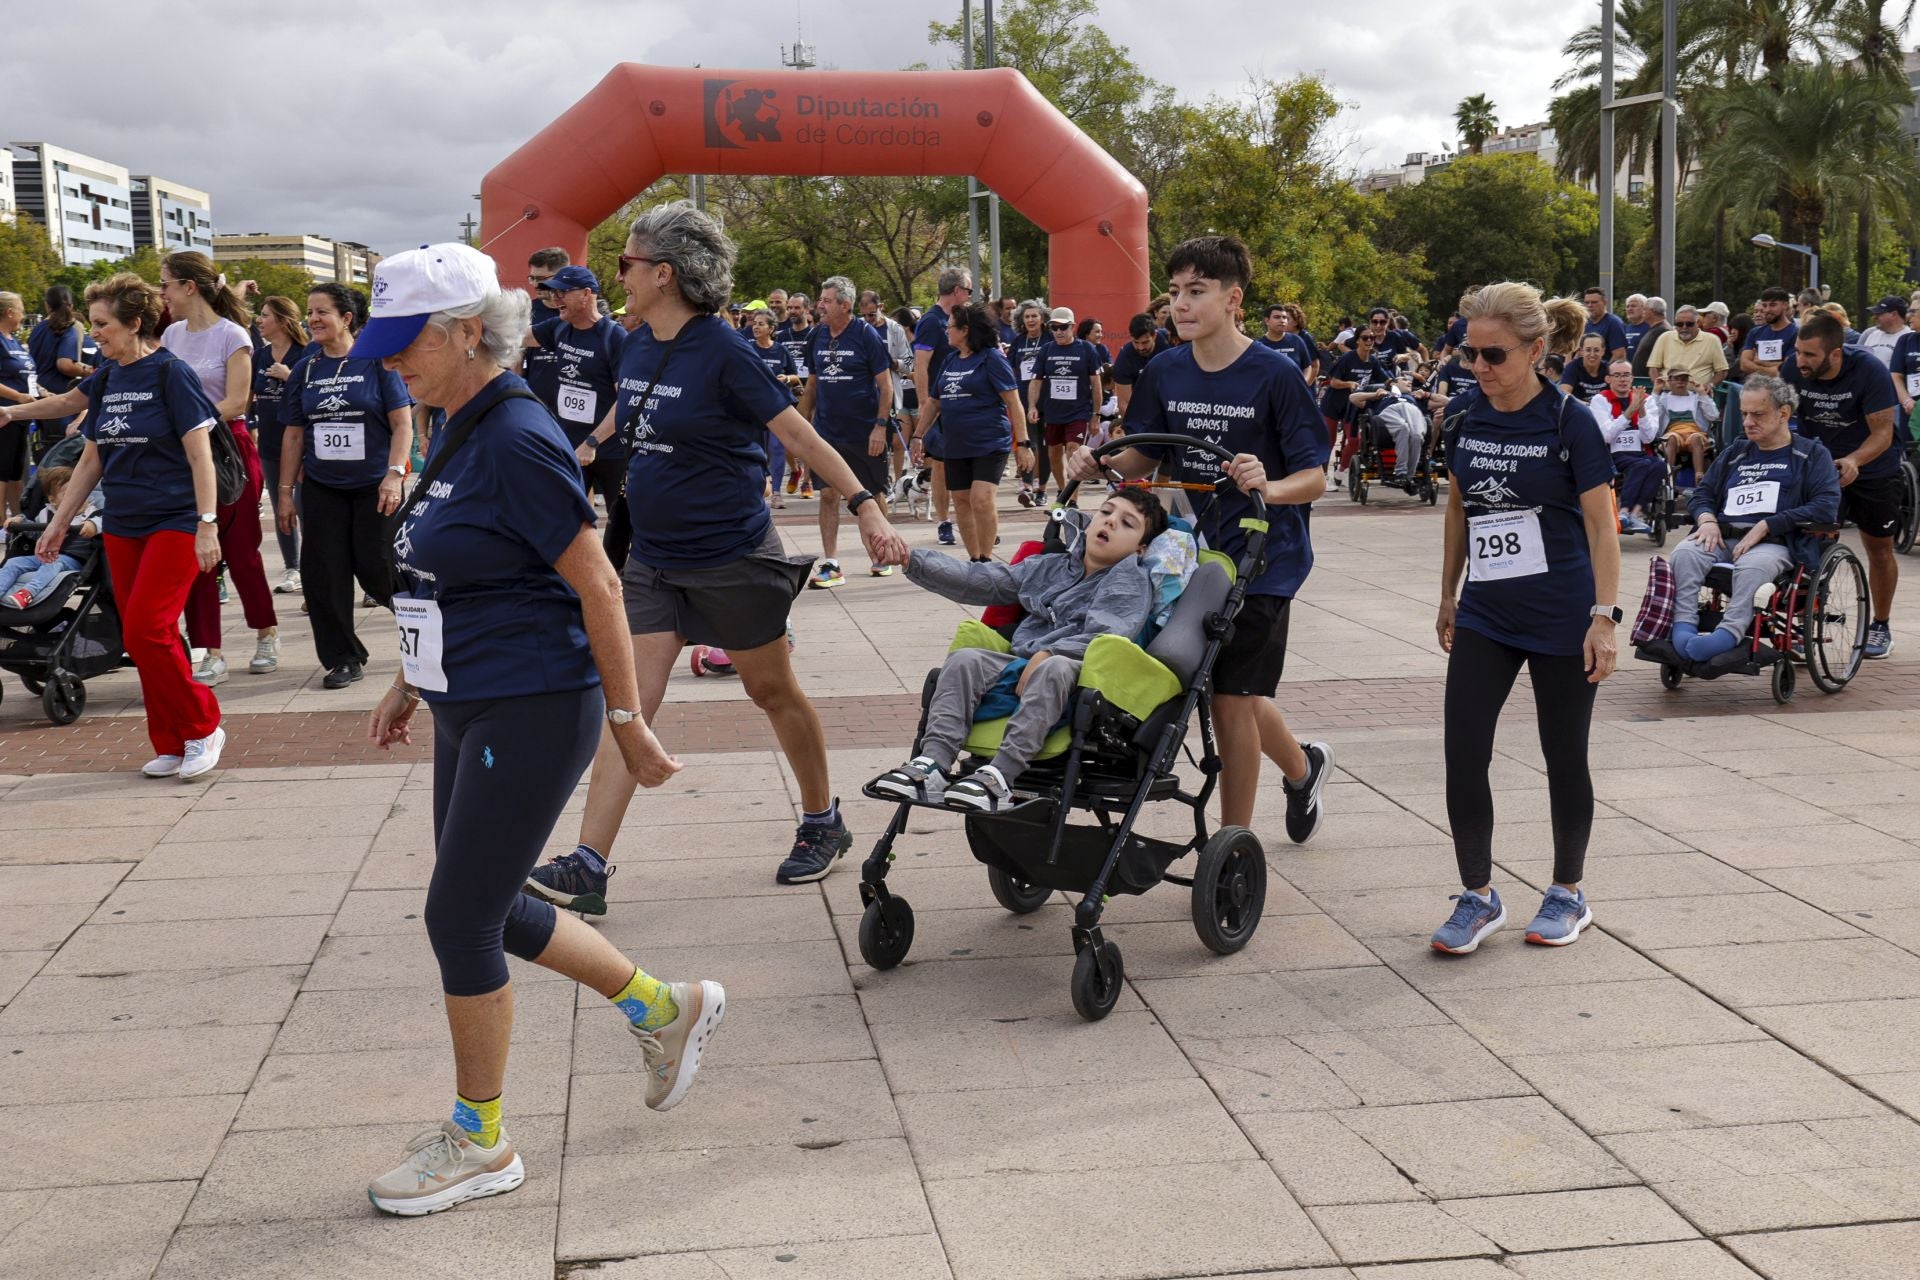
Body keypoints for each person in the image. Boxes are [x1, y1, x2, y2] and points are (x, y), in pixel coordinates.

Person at [356, 240, 723, 1217]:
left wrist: (629, 720)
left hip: (531, 702)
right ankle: (662, 1005)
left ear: (467, 331)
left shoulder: (515, 435)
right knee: (483, 900)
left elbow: (597, 579)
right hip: (469, 695)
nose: (391, 361)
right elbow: (460, 563)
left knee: (458, 914)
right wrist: (406, 676)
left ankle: (481, 1139)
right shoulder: (460, 423)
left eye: (406, 342)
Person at [527, 201, 909, 905]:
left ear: (664, 273)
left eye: (628, 263)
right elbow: (630, 405)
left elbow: (798, 436)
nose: (620, 276)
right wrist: (585, 446)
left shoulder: (727, 351)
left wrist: (865, 505)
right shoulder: (636, 340)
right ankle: (587, 863)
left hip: (732, 553)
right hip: (654, 557)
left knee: (771, 690)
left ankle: (823, 821)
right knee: (628, 706)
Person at [1065, 234, 1334, 843]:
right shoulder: (1163, 368)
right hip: (1186, 552)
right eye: (1175, 293)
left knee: (1230, 699)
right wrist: (1096, 462)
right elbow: (1143, 455)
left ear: (1234, 299)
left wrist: (1271, 482)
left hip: (1265, 559)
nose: (1180, 305)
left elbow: (1315, 477)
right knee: (1221, 683)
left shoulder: (1277, 373)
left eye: (1197, 292)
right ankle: (1303, 766)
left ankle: (1231, 842)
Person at [1431, 282, 1619, 955]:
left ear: (1537, 351)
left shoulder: (1570, 422)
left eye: (1494, 354)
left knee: (1564, 754)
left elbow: (1603, 525)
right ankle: (1478, 897)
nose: (1478, 366)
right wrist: (1449, 592)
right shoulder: (1462, 416)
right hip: (1487, 610)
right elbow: (1459, 508)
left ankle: (1568, 891)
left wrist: (1604, 617)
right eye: (1467, 352)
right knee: (1462, 751)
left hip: (1564, 614)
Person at [35, 273, 227, 778]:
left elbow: (200, 456)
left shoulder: (170, 373)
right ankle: (171, 740)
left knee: (150, 629)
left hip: (176, 520)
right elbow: (91, 460)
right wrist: (58, 522)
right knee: (139, 637)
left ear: (134, 324)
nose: (93, 333)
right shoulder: (107, 377)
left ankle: (203, 727)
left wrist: (207, 523)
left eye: (102, 324)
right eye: (91, 323)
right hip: (123, 523)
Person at [874, 490, 1165, 809]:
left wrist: (1051, 653)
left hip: (1082, 678)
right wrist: (911, 559)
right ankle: (932, 765)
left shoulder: (1129, 581)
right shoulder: (1049, 566)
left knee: (1055, 668)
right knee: (965, 658)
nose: (1110, 520)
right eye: (1106, 511)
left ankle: (1000, 774)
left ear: (1141, 547)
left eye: (1127, 523)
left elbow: (1106, 633)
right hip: (1022, 664)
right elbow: (981, 580)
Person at [278, 283, 414, 688]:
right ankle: (343, 657)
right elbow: (293, 435)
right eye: (310, 312)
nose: (313, 319)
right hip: (321, 486)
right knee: (324, 574)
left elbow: (402, 422)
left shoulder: (376, 363)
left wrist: (395, 473)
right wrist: (285, 492)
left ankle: (436, 629)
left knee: (378, 569)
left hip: (375, 485)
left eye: (322, 312)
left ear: (347, 319)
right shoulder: (305, 369)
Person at [157, 252, 279, 683]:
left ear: (190, 287)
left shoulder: (233, 335)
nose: (162, 293)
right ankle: (210, 648)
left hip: (230, 451)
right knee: (199, 556)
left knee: (243, 553)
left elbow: (237, 402)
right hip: (186, 456)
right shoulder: (170, 335)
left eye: (167, 284)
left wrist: (185, 420)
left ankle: (266, 632)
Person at [1666, 375, 1841, 664]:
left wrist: (1768, 524)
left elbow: (1825, 506)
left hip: (1776, 542)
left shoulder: (1810, 454)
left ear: (1783, 413)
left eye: (1757, 414)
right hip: (1722, 534)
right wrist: (1707, 518)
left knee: (1752, 566)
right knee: (1685, 553)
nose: (1747, 422)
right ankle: (1683, 624)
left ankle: (1729, 634)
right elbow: (1702, 493)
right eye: (1744, 413)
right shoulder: (1736, 452)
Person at [1783, 310, 1900, 657]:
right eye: (1799, 352)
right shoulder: (1792, 369)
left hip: (1872, 467)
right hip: (1820, 467)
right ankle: (1804, 625)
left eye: (1810, 355)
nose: (1800, 362)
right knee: (1808, 545)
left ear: (1835, 354)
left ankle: (1880, 624)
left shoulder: (1869, 370)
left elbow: (1883, 433)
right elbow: (1783, 415)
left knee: (1879, 549)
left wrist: (1853, 461)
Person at [798, 276, 895, 588]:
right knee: (828, 494)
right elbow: (812, 385)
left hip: (864, 431)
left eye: (827, 301)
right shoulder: (817, 336)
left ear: (845, 305)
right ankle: (831, 563)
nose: (820, 305)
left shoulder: (866, 335)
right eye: (821, 299)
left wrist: (880, 427)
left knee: (872, 493)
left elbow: (885, 386)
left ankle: (881, 553)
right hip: (828, 431)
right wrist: (802, 427)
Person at [526, 265, 628, 556]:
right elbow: (518, 337)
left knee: (620, 521)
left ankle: (618, 579)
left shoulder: (613, 337)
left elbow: (626, 400)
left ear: (586, 294)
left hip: (610, 449)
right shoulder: (558, 327)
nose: (555, 298)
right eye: (553, 291)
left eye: (562, 292)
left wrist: (593, 442)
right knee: (562, 516)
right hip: (569, 447)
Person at [916, 303, 1020, 562]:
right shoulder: (950, 360)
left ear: (965, 330)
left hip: (989, 442)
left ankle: (986, 558)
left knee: (981, 500)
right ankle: (974, 559)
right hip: (955, 444)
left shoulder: (991, 358)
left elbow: (1013, 401)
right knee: (961, 500)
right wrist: (918, 436)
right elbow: (934, 402)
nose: (946, 332)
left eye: (950, 327)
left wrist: (1025, 443)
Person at [251, 296, 312, 594]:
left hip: (303, 442)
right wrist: (250, 427)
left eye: (265, 315)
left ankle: (317, 566)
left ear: (283, 321)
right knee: (281, 507)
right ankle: (294, 568)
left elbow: (314, 395)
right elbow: (249, 397)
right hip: (271, 444)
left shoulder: (306, 353)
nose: (260, 320)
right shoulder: (259, 356)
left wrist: (290, 377)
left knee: (306, 506)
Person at [911, 267, 974, 546]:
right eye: (969, 291)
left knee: (969, 462)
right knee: (940, 465)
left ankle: (974, 521)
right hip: (939, 404)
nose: (971, 296)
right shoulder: (931, 321)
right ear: (957, 291)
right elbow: (920, 365)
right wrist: (925, 403)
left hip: (965, 403)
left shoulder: (964, 320)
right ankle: (943, 521)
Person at [1026, 307, 1104, 504]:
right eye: (1054, 327)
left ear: (1072, 327)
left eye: (1064, 327)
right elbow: (1036, 381)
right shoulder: (1046, 350)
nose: (1059, 331)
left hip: (1078, 412)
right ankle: (1063, 491)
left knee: (1073, 450)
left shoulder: (1086, 349)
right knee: (1053, 455)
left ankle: (1073, 501)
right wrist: (1032, 406)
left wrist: (1096, 415)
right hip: (1053, 412)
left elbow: (1096, 384)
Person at [0, 465, 100, 607]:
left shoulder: (92, 515)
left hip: (74, 560)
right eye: (68, 494)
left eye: (80, 492)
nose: (77, 497)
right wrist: (21, 521)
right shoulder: (46, 514)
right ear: (53, 500)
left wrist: (93, 525)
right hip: (45, 556)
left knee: (52, 564)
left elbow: (103, 522)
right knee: (14, 563)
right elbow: (37, 534)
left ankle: (28, 593)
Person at [1587, 361, 1661, 534]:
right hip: (1611, 454)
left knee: (1659, 466)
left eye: (1626, 375)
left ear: (1632, 377)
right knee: (1641, 465)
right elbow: (1606, 435)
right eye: (1617, 375)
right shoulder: (1600, 400)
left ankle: (1635, 513)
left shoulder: (1647, 400)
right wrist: (1629, 412)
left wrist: (1641, 410)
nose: (1622, 379)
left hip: (1640, 451)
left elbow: (1648, 437)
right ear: (1608, 379)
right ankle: (1624, 511)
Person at [748, 308, 802, 508]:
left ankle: (777, 492)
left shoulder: (781, 350)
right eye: (754, 323)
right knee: (758, 450)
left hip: (777, 406)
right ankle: (761, 486)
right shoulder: (747, 348)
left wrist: (786, 378)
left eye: (761, 324)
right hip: (753, 408)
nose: (756, 327)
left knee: (778, 448)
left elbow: (795, 376)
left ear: (771, 329)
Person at [27, 285, 96, 443]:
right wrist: (91, 371)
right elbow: (65, 364)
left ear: (47, 305)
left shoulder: (37, 329)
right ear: (71, 305)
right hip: (62, 401)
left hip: (39, 399)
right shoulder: (69, 327)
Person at [1009, 301, 1051, 504]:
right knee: (1027, 443)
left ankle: (1041, 489)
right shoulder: (1018, 342)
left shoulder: (1051, 338)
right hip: (1025, 399)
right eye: (1027, 317)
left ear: (1042, 318)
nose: (1031, 320)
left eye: (1035, 316)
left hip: (1050, 400)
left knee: (1046, 446)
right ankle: (1026, 487)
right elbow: (1009, 369)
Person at [1645, 367, 1718, 481]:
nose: (1680, 382)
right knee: (1672, 438)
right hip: (1672, 433)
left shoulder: (1696, 397)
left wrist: (1702, 393)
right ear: (1669, 381)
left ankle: (1699, 476)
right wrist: (1655, 392)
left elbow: (1713, 415)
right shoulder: (1663, 398)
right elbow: (1651, 416)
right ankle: (1669, 477)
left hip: (1695, 432)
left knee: (1696, 438)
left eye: (1684, 379)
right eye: (1676, 379)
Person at [521, 246, 569, 410]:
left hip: (575, 407)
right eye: (531, 278)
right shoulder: (527, 311)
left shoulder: (577, 313)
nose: (534, 284)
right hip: (537, 405)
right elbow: (516, 360)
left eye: (540, 279)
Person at [1647, 305, 1729, 395]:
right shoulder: (1665, 337)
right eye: (1679, 324)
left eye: (1689, 324)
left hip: (1698, 395)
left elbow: (1722, 370)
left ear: (1697, 323)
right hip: (1667, 394)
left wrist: (1711, 384)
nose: (1684, 327)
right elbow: (1653, 367)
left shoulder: (1712, 340)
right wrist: (1658, 386)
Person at [1110, 313, 1160, 427]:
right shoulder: (1125, 357)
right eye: (1136, 342)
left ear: (1155, 336)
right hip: (1142, 406)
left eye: (1145, 342)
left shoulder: (1168, 342)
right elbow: (1124, 403)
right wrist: (1136, 429)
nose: (1140, 347)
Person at [1741, 286, 1797, 377]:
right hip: (1756, 387)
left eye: (1773, 305)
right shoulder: (1754, 332)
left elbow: (1789, 367)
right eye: (1764, 305)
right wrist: (1774, 369)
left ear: (1785, 305)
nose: (1767, 310)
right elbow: (1744, 365)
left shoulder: (1795, 333)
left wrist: (1760, 362)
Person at [1582, 287, 1630, 362]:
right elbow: (1580, 352)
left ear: (1605, 302)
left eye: (1594, 302)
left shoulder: (1614, 323)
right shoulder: (1585, 323)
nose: (1590, 305)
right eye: (1587, 302)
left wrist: (1605, 371)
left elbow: (1619, 355)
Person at [1559, 334, 1611, 400]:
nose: (1592, 354)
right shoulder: (1572, 367)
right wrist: (1586, 406)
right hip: (1579, 408)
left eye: (1596, 350)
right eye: (1588, 350)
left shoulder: (1609, 368)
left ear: (1603, 351)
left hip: (1605, 408)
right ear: (1581, 351)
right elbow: (1564, 394)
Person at [1861, 296, 1908, 368]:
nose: (1874, 317)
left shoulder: (1910, 337)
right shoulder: (1872, 335)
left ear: (1894, 314)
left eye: (1879, 314)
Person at [1630, 297, 1670, 379]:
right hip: (1641, 380)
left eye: (1645, 309)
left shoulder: (1663, 330)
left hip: (1650, 382)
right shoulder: (1654, 329)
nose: (1642, 312)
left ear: (1653, 311)